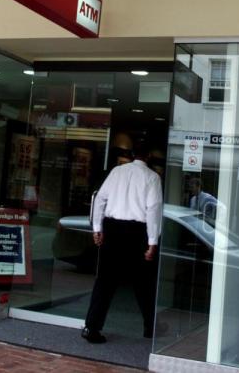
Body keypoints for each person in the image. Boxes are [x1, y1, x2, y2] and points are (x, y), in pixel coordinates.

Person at [82, 140, 163, 344]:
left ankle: (91, 327)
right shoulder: (152, 177)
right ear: (149, 155)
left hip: (113, 228)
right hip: (137, 232)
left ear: (133, 153)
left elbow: (100, 199)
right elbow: (153, 209)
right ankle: (150, 327)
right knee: (143, 281)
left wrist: (98, 228)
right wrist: (153, 241)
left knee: (105, 280)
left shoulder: (117, 172)